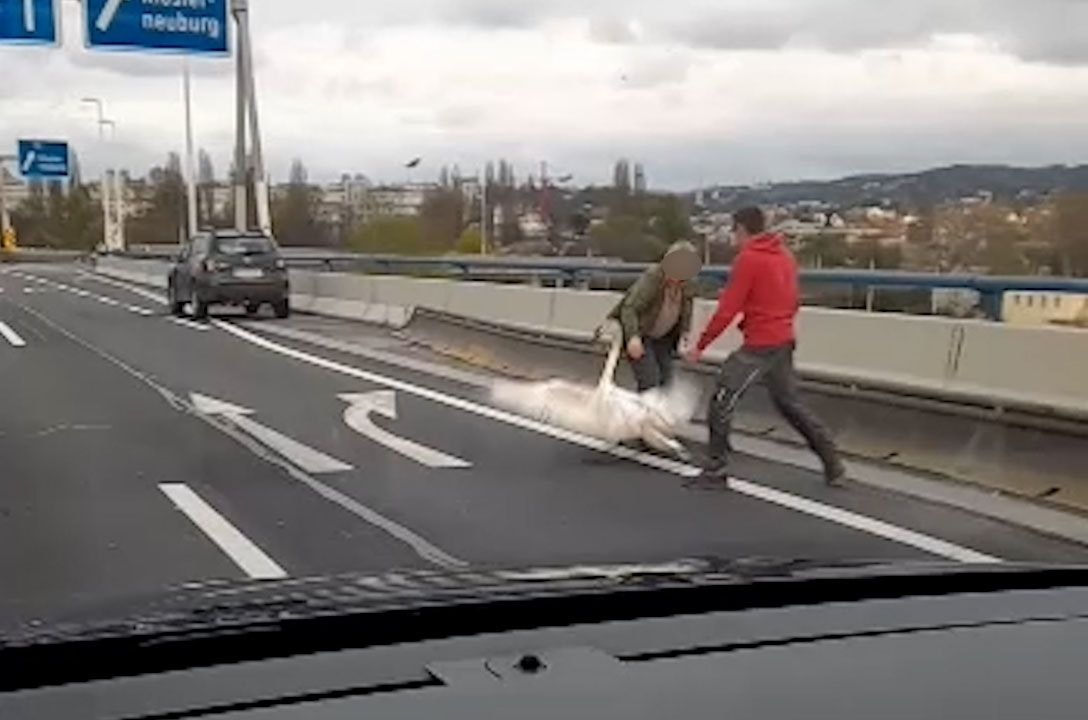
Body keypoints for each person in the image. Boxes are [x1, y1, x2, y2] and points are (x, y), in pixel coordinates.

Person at [686, 207, 846, 486]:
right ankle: (833, 463)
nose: (733, 237)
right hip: (783, 341)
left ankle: (716, 468)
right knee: (791, 405)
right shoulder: (785, 256)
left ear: (741, 229)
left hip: (759, 345)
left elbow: (727, 309)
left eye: (733, 231)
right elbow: (794, 299)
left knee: (722, 399)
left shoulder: (748, 260)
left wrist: (700, 345)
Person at [606, 241, 702, 392]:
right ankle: (644, 412)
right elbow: (630, 308)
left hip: (664, 338)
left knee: (666, 382)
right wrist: (633, 337)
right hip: (642, 333)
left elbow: (686, 309)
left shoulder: (688, 284)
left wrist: (685, 334)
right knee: (650, 381)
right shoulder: (654, 277)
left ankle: (656, 412)